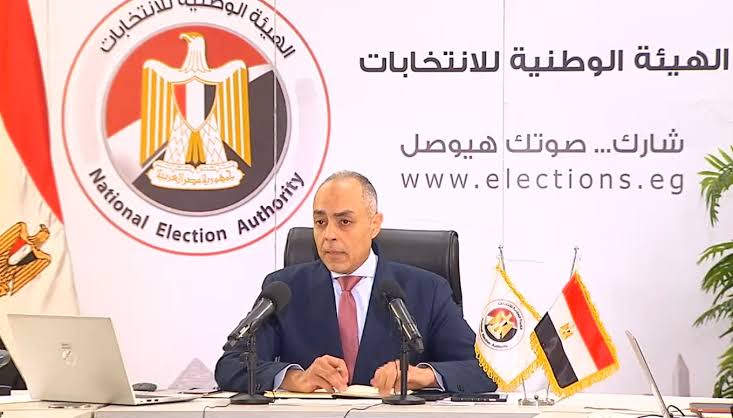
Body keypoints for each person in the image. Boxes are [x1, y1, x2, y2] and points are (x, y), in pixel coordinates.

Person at [215, 171, 496, 394]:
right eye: (320, 222)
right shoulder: (285, 289)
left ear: (374, 224)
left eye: (344, 222)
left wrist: (422, 376)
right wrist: (295, 378)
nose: (329, 235)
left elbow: (484, 371)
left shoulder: (427, 289)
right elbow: (231, 365)